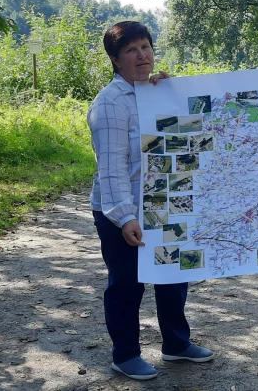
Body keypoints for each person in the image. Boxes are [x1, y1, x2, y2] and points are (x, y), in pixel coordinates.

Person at [87, 21, 214, 381]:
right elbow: (111, 167)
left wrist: (174, 98)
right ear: (115, 59)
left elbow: (189, 142)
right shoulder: (110, 103)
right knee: (127, 284)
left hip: (165, 203)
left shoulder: (156, 92)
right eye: (131, 50)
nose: (142, 55)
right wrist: (125, 217)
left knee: (172, 275)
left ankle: (176, 344)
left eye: (145, 47)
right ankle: (125, 355)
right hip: (122, 211)